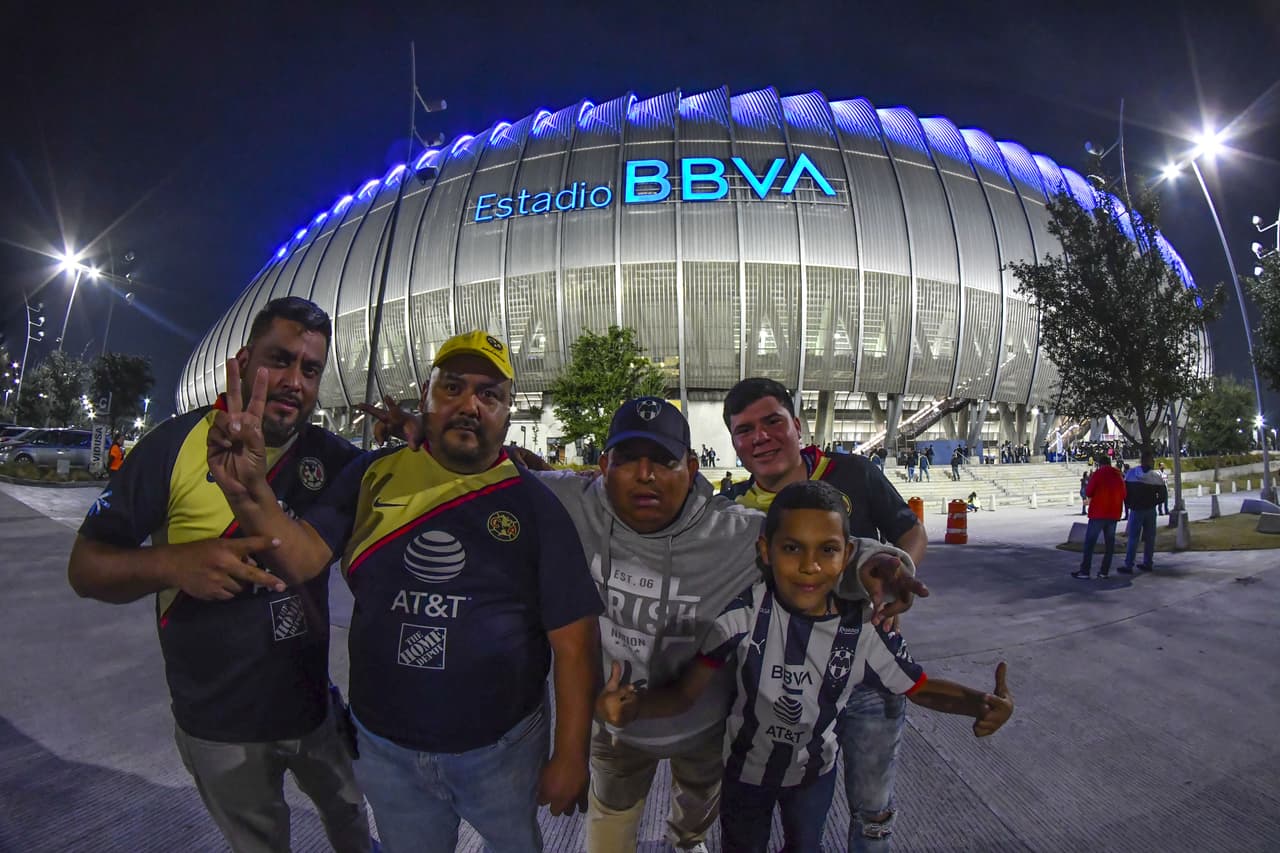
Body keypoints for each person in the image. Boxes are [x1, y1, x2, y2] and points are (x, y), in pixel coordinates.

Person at [205, 330, 603, 853]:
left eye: (489, 395)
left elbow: (575, 641)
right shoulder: (372, 475)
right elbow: (300, 556)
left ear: (508, 413)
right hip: (386, 750)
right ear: (426, 396)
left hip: (502, 750)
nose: (469, 405)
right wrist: (248, 490)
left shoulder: (536, 507)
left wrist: (571, 754)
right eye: (453, 387)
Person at [68, 297, 371, 853]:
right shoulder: (173, 446)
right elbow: (85, 567)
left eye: (310, 369)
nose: (293, 382)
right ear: (243, 360)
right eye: (279, 360)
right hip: (219, 726)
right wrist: (172, 563)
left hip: (313, 711)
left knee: (353, 823)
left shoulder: (335, 460)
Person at [597, 481, 1013, 853]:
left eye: (827, 550)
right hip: (744, 774)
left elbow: (919, 687)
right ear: (766, 550)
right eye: (792, 547)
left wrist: (979, 703)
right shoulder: (741, 615)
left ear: (847, 553)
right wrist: (634, 709)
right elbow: (686, 692)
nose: (810, 565)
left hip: (814, 777)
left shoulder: (865, 629)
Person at [721, 378, 927, 852]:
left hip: (866, 680)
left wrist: (898, 572)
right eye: (744, 430)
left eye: (773, 422)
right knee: (788, 813)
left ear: (797, 425)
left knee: (872, 809)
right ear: (734, 444)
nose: (761, 437)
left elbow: (911, 529)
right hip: (784, 688)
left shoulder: (853, 473)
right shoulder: (733, 509)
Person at [1073, 455, 1126, 580]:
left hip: (1098, 512)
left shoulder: (1098, 474)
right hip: (1113, 513)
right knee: (1109, 544)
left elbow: (1089, 491)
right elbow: (1124, 493)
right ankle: (1104, 571)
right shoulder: (1118, 475)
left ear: (1100, 464)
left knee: (1090, 543)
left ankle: (1085, 570)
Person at [1121, 452, 1167, 573]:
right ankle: (1148, 562)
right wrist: (1153, 502)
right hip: (1150, 510)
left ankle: (1128, 564)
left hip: (1136, 509)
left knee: (1133, 538)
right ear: (1149, 462)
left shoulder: (1131, 474)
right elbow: (1163, 496)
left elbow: (1125, 493)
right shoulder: (1156, 477)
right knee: (1150, 538)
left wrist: (1130, 504)